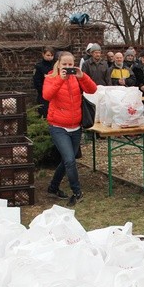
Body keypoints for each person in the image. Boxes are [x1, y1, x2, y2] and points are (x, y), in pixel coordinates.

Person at [42, 51, 98, 206]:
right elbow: (47, 95)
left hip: (75, 127)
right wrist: (61, 78)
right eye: (64, 64)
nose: (67, 67)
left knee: (68, 161)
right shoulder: (51, 77)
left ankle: (53, 187)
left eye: (70, 64)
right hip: (58, 126)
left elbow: (92, 90)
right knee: (69, 160)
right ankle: (77, 192)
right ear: (58, 64)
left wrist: (82, 76)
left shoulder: (76, 78)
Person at [33, 46, 55, 118]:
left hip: (54, 93)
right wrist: (44, 91)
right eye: (48, 55)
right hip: (43, 94)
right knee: (44, 112)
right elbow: (36, 81)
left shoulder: (55, 65)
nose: (50, 57)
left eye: (51, 55)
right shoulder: (39, 66)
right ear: (43, 54)